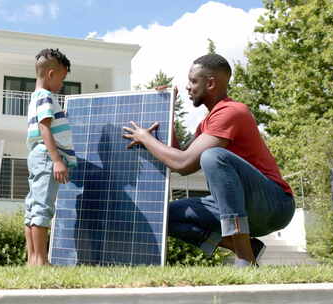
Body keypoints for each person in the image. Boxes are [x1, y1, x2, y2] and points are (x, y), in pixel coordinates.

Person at [122, 54, 295, 266]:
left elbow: (183, 162)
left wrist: (145, 138)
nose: (187, 87)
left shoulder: (232, 111)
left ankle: (243, 257)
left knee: (213, 156)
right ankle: (243, 246)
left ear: (210, 83)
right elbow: (180, 162)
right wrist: (169, 111)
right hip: (238, 206)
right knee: (166, 216)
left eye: (193, 81)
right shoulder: (206, 124)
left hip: (274, 204)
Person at [24, 48, 77, 266]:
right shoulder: (46, 96)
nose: (62, 85)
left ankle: (32, 259)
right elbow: (45, 126)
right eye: (62, 79)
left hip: (38, 155)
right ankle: (41, 260)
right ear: (51, 74)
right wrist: (56, 159)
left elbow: (48, 124)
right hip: (47, 156)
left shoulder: (36, 97)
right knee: (43, 207)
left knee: (33, 207)